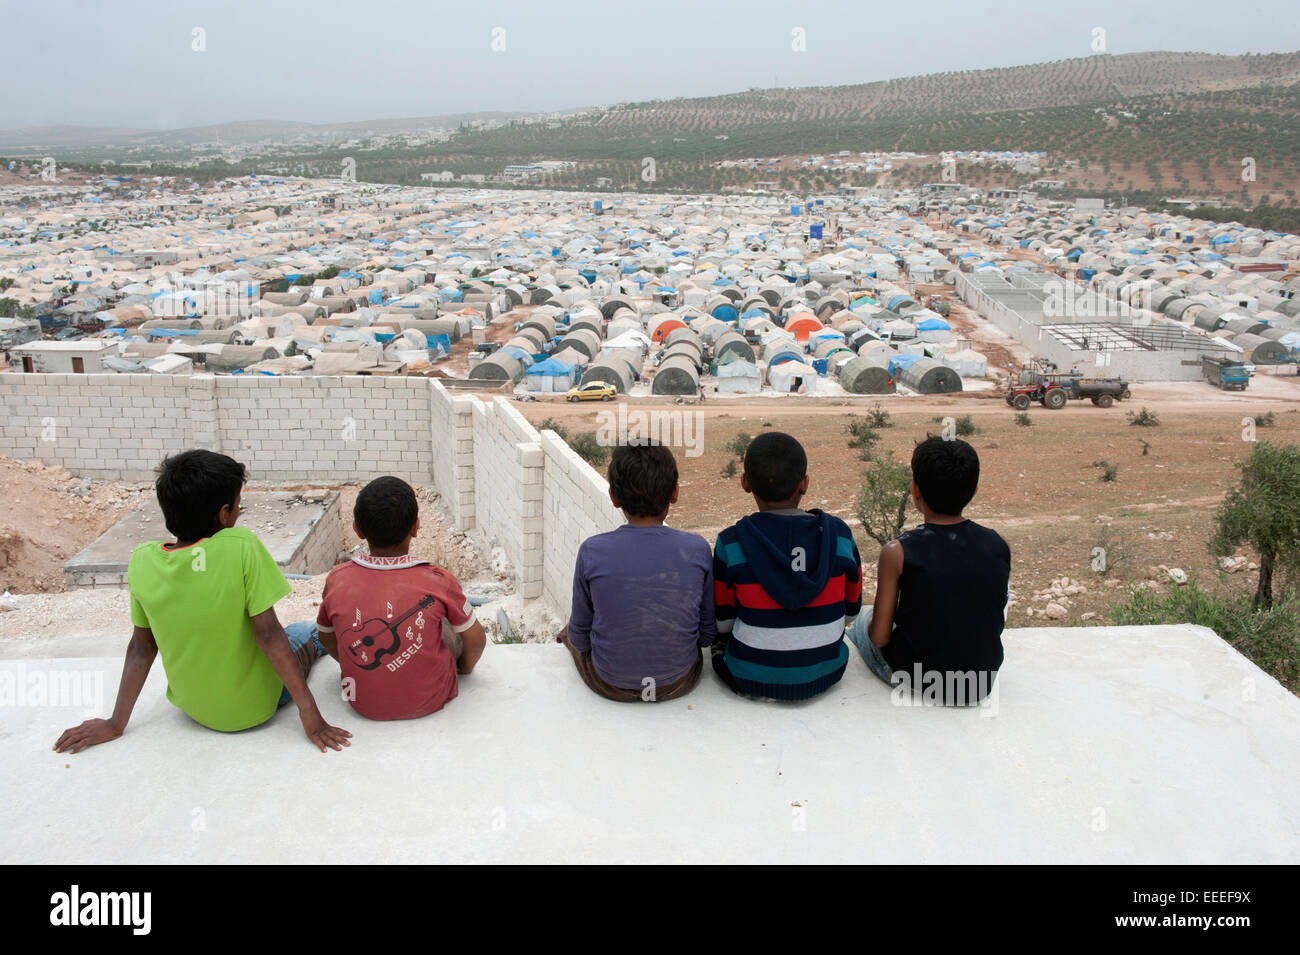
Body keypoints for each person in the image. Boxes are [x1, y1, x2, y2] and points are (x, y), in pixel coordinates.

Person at [54, 450, 351, 754]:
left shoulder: (142, 560)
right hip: (256, 708)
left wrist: (115, 723)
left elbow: (141, 648)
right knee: (307, 631)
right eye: (239, 505)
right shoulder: (241, 547)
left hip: (194, 709)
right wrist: (311, 715)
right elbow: (268, 636)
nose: (239, 511)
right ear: (224, 514)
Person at [305, 476, 486, 721]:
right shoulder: (438, 580)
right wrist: (464, 668)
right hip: (432, 699)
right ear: (416, 526)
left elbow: (326, 635)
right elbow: (476, 639)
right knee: (445, 621)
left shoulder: (338, 578)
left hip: (361, 702)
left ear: (357, 529)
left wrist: (359, 664)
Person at [846, 436, 1010, 705]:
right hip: (980, 684)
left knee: (864, 620)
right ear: (974, 490)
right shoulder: (998, 544)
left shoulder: (897, 551)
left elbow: (879, 637)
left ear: (915, 490)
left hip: (920, 680)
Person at [558, 442, 715, 702]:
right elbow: (707, 634)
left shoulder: (592, 551)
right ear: (674, 493)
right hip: (678, 680)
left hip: (609, 683)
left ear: (613, 496)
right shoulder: (697, 549)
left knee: (568, 631)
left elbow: (581, 639)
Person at [712, 432, 862, 702]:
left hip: (749, 677)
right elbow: (851, 613)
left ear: (745, 483)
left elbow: (723, 624)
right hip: (827, 672)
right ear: (804, 484)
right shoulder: (839, 535)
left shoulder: (730, 543)